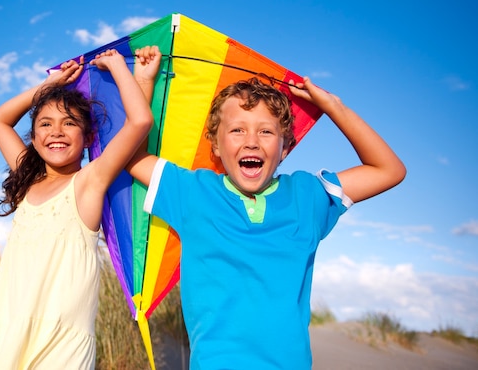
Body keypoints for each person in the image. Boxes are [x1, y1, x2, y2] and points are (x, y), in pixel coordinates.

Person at [129, 46, 406, 370]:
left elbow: (389, 170)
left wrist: (332, 106)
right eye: (237, 130)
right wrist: (143, 82)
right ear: (215, 145)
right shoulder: (193, 192)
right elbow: (132, 156)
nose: (251, 141)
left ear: (285, 146)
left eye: (266, 131)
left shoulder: (308, 196)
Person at [0, 50, 154, 370]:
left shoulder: (88, 183)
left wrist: (121, 69)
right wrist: (49, 85)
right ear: (34, 138)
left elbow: (140, 122)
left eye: (69, 123)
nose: (56, 131)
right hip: (4, 324)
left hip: (60, 340)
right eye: (45, 124)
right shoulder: (28, 180)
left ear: (87, 138)